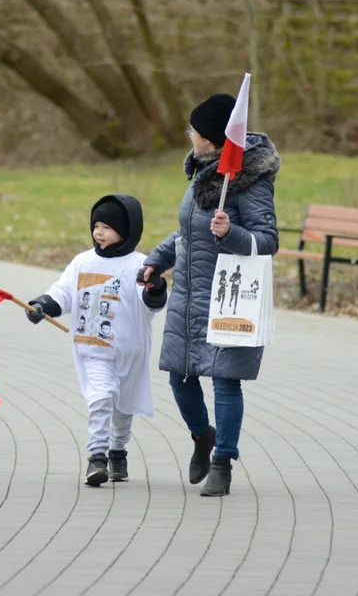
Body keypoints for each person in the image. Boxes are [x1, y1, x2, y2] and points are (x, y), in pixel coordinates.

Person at [138, 93, 280, 497]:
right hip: (188, 293)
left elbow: (268, 240)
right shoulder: (203, 172)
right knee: (180, 378)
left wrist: (231, 233)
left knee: (224, 381)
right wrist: (156, 260)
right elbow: (187, 232)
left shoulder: (248, 179)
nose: (188, 136)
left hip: (229, 297)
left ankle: (223, 460)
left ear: (214, 139)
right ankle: (202, 436)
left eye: (194, 131)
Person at [26, 194, 168, 486]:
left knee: (124, 407)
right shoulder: (82, 262)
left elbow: (152, 305)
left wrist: (155, 290)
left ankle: (118, 450)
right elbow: (64, 293)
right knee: (101, 396)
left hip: (130, 350)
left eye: (106, 227)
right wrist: (43, 305)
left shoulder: (141, 264)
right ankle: (97, 457)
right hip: (93, 348)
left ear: (126, 230)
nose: (98, 233)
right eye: (96, 226)